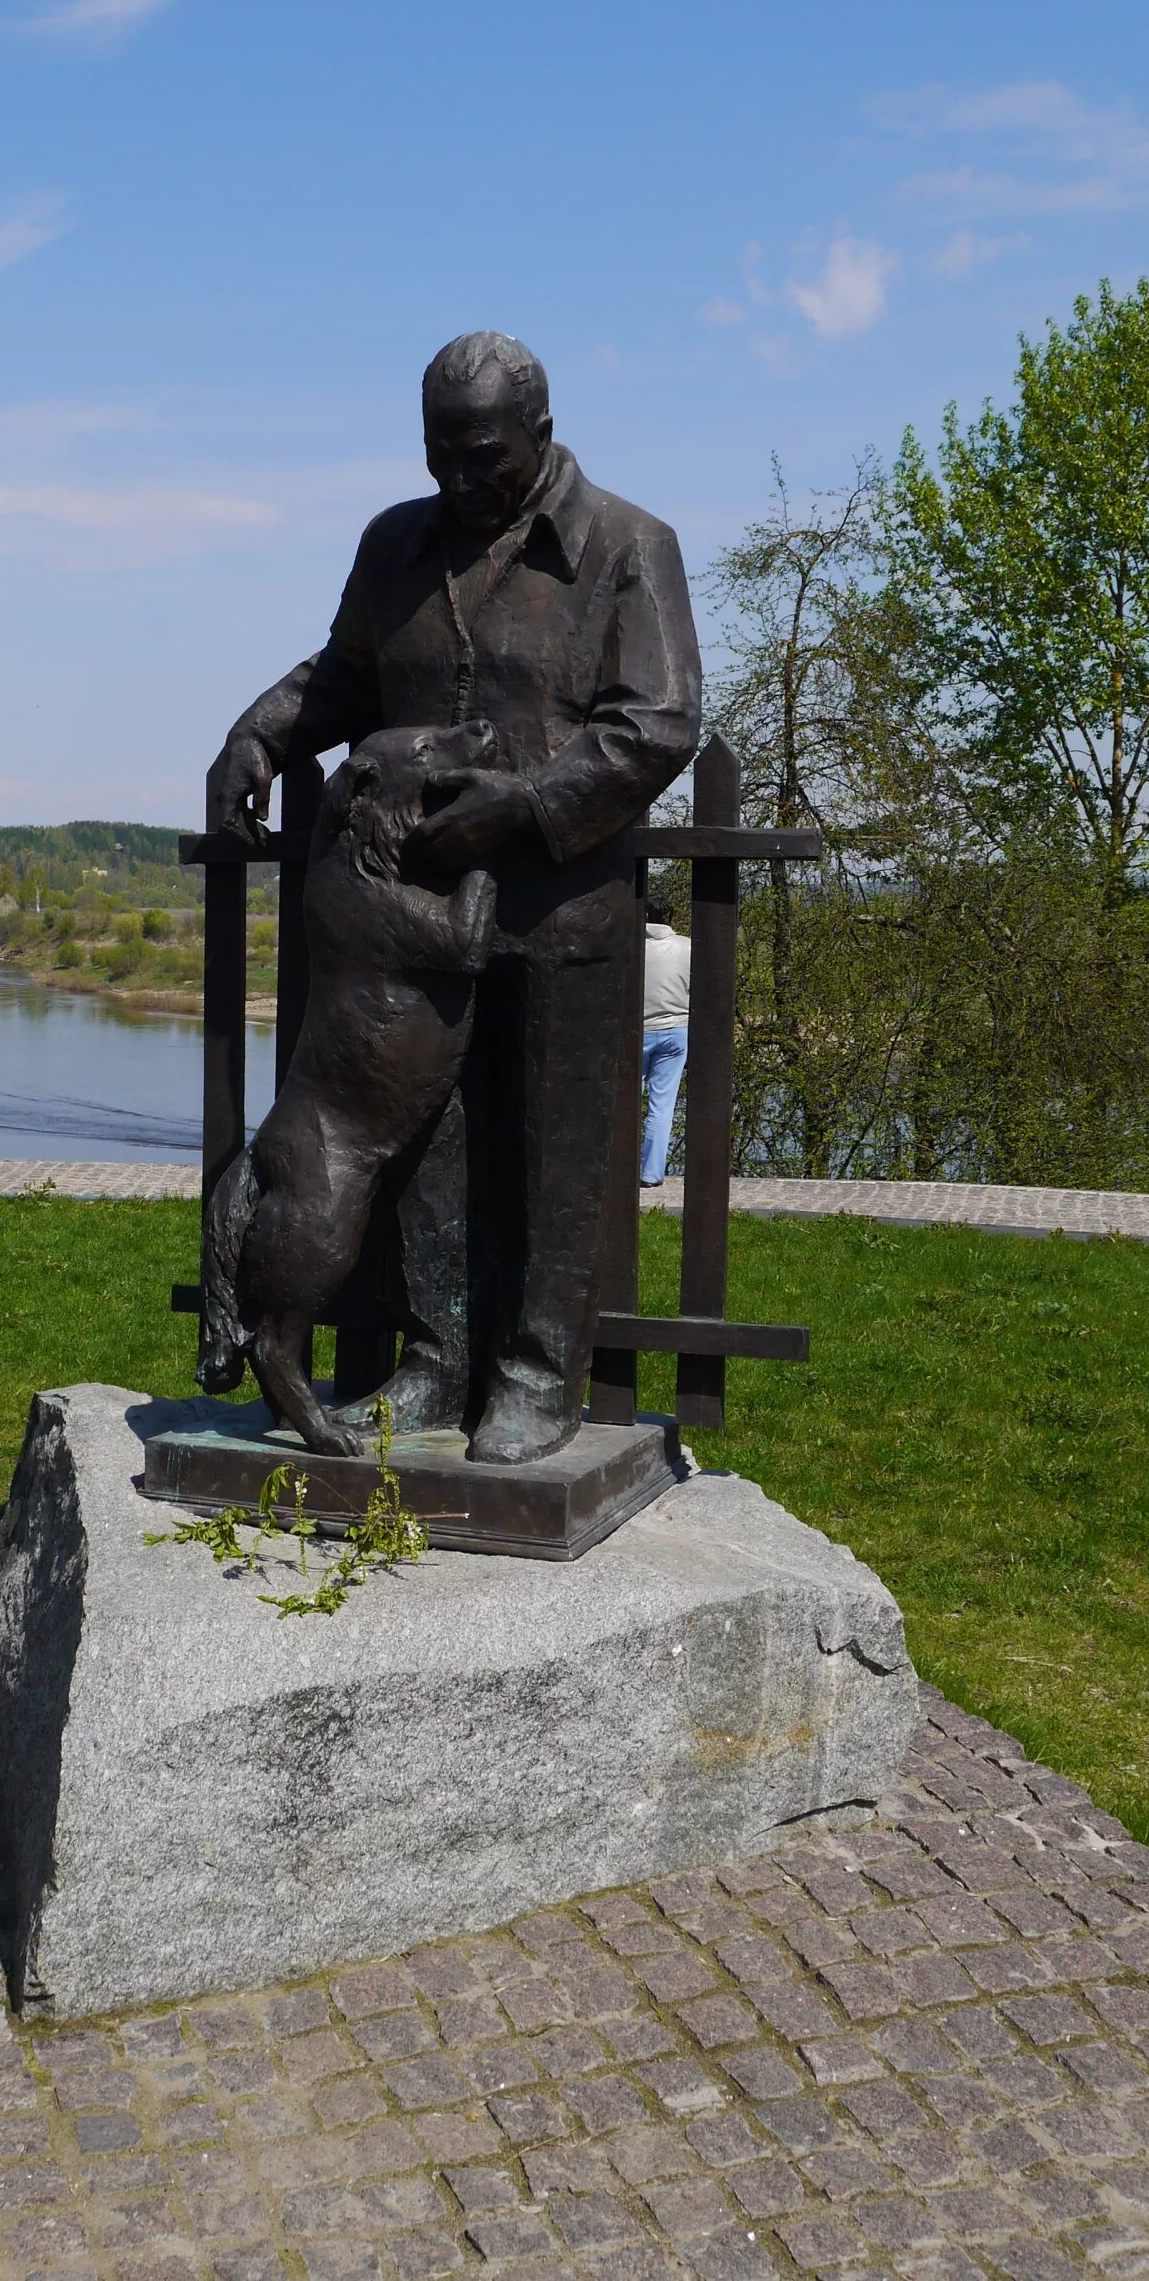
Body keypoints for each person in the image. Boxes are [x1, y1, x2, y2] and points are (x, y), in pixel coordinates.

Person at [206, 331, 701, 1461]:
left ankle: (537, 1372)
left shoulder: (628, 547)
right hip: (419, 930)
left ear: (539, 432)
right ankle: (434, 1361)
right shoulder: (397, 546)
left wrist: (526, 808)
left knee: (556, 1152)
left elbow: (658, 721)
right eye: (440, 455)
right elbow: (342, 676)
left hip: (563, 914)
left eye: (482, 455)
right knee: (429, 1147)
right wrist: (260, 734)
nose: (459, 480)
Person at [639, 892, 690, 1188]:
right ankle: (650, 1172)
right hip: (677, 1031)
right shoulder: (688, 947)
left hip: (638, 1031)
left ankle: (618, 1165)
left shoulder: (632, 947)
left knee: (624, 1102)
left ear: (644, 916)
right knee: (662, 1104)